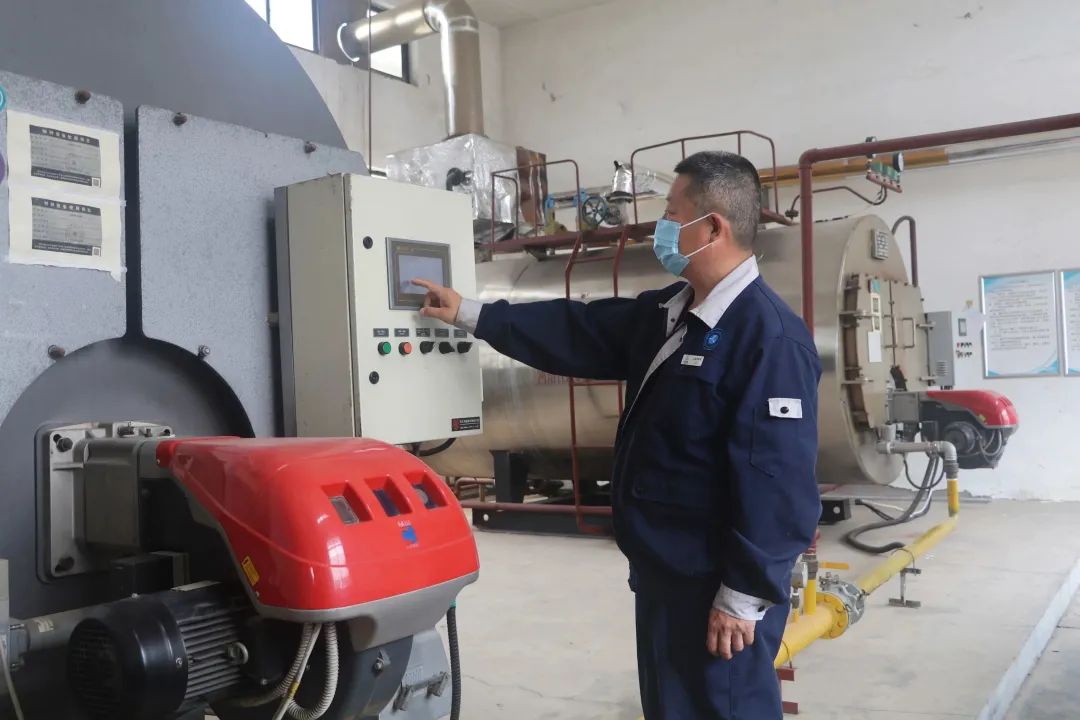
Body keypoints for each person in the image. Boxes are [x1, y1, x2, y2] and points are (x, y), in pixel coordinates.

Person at [415, 150, 821, 719]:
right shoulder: (671, 313)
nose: (660, 228)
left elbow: (778, 483)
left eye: (671, 214)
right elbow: (579, 330)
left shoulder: (768, 338)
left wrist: (743, 595)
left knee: (722, 708)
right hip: (663, 574)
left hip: (714, 587)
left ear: (712, 228)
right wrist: (473, 314)